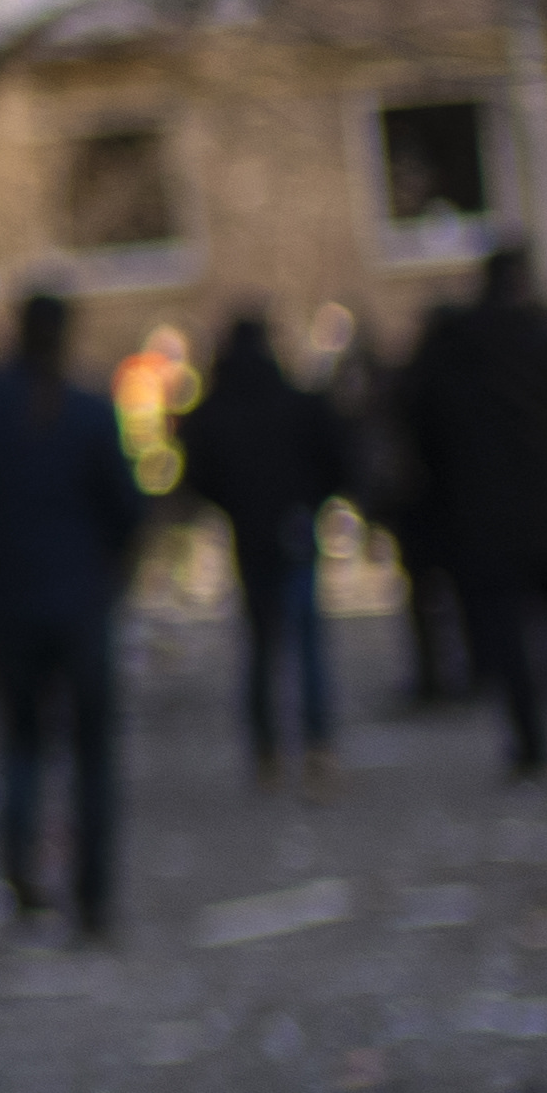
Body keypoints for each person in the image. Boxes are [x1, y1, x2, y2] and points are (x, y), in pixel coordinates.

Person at [0, 282, 165, 937]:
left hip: (7, 602)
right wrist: (107, 571)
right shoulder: (85, 409)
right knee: (90, 753)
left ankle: (22, 875)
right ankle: (93, 893)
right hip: (79, 602)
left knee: (21, 742)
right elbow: (128, 507)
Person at [400, 239, 547, 772]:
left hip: (487, 518)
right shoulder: (543, 343)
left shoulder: (454, 351)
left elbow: (423, 428)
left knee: (510, 637)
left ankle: (529, 745)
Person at [178, 305, 356, 791]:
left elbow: (197, 475)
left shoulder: (216, 411)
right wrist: (311, 501)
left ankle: (266, 751)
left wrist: (236, 506)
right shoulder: (295, 402)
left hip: (250, 536)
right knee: (306, 640)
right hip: (295, 528)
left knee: (260, 644)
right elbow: (335, 458)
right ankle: (317, 747)